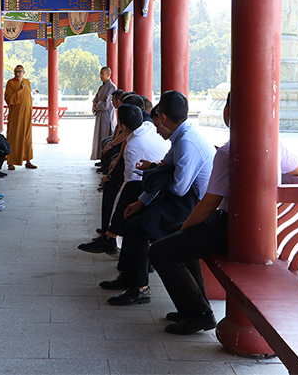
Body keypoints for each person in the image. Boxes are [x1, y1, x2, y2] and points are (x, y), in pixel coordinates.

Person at [148, 93, 298, 334]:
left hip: (228, 229)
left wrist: (185, 228)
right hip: (261, 231)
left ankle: (199, 314)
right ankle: (195, 303)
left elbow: (209, 204)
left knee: (160, 251)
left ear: (229, 111)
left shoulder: (228, 151)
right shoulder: (274, 145)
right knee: (174, 234)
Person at [104, 91, 215, 306]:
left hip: (194, 205)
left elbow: (179, 188)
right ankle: (129, 277)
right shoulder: (182, 136)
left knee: (137, 227)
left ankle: (139, 288)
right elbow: (165, 169)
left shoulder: (187, 143)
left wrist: (160, 171)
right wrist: (142, 202)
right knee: (132, 208)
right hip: (180, 199)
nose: (156, 131)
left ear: (163, 117)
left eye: (156, 125)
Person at [78, 104, 170, 255]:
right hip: (156, 178)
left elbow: (129, 183)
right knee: (114, 184)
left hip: (157, 187)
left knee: (117, 190)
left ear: (122, 125)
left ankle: (110, 237)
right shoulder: (147, 126)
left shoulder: (133, 146)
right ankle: (108, 234)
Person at [4, 65, 36, 169]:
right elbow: (8, 99)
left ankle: (28, 160)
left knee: (27, 137)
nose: (18, 74)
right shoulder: (10, 83)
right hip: (16, 115)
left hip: (26, 115)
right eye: (16, 72)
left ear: (24, 72)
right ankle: (11, 162)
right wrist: (19, 90)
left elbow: (28, 98)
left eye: (20, 72)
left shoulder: (27, 82)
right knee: (14, 136)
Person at [91, 66, 118, 161]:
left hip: (107, 117)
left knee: (106, 137)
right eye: (100, 73)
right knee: (99, 137)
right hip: (100, 116)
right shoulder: (101, 87)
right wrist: (96, 105)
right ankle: (101, 158)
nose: (100, 76)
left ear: (108, 75)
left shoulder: (112, 87)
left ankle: (106, 161)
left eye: (102, 73)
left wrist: (97, 105)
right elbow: (95, 100)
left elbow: (107, 104)